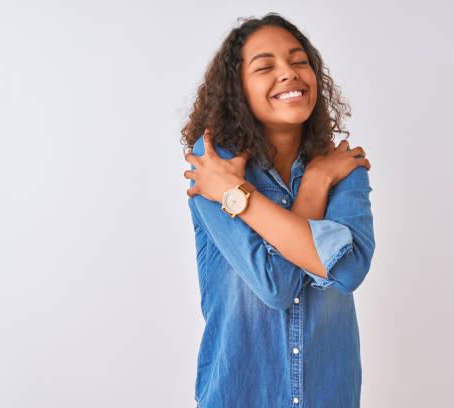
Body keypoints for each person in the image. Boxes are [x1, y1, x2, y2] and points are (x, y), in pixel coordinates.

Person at [181, 12, 375, 408]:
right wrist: (316, 186)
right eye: (265, 66)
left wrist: (237, 196)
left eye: (299, 61)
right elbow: (277, 286)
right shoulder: (213, 165)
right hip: (240, 395)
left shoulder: (343, 167)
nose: (288, 73)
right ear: (238, 89)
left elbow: (349, 270)